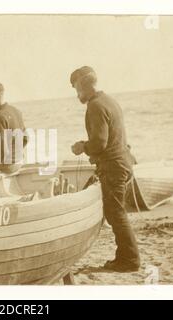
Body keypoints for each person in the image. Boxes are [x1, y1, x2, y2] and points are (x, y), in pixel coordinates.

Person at [69, 66, 140, 272]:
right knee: (117, 212)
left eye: (76, 89)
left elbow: (100, 143)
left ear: (83, 85)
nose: (77, 95)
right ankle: (125, 257)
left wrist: (82, 147)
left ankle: (130, 260)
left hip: (114, 167)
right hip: (123, 162)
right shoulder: (109, 101)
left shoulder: (95, 106)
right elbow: (109, 139)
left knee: (116, 213)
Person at [0, 82, 28, 176]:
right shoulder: (16, 111)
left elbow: (2, 151)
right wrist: (15, 154)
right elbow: (26, 138)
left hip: (9, 167)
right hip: (20, 162)